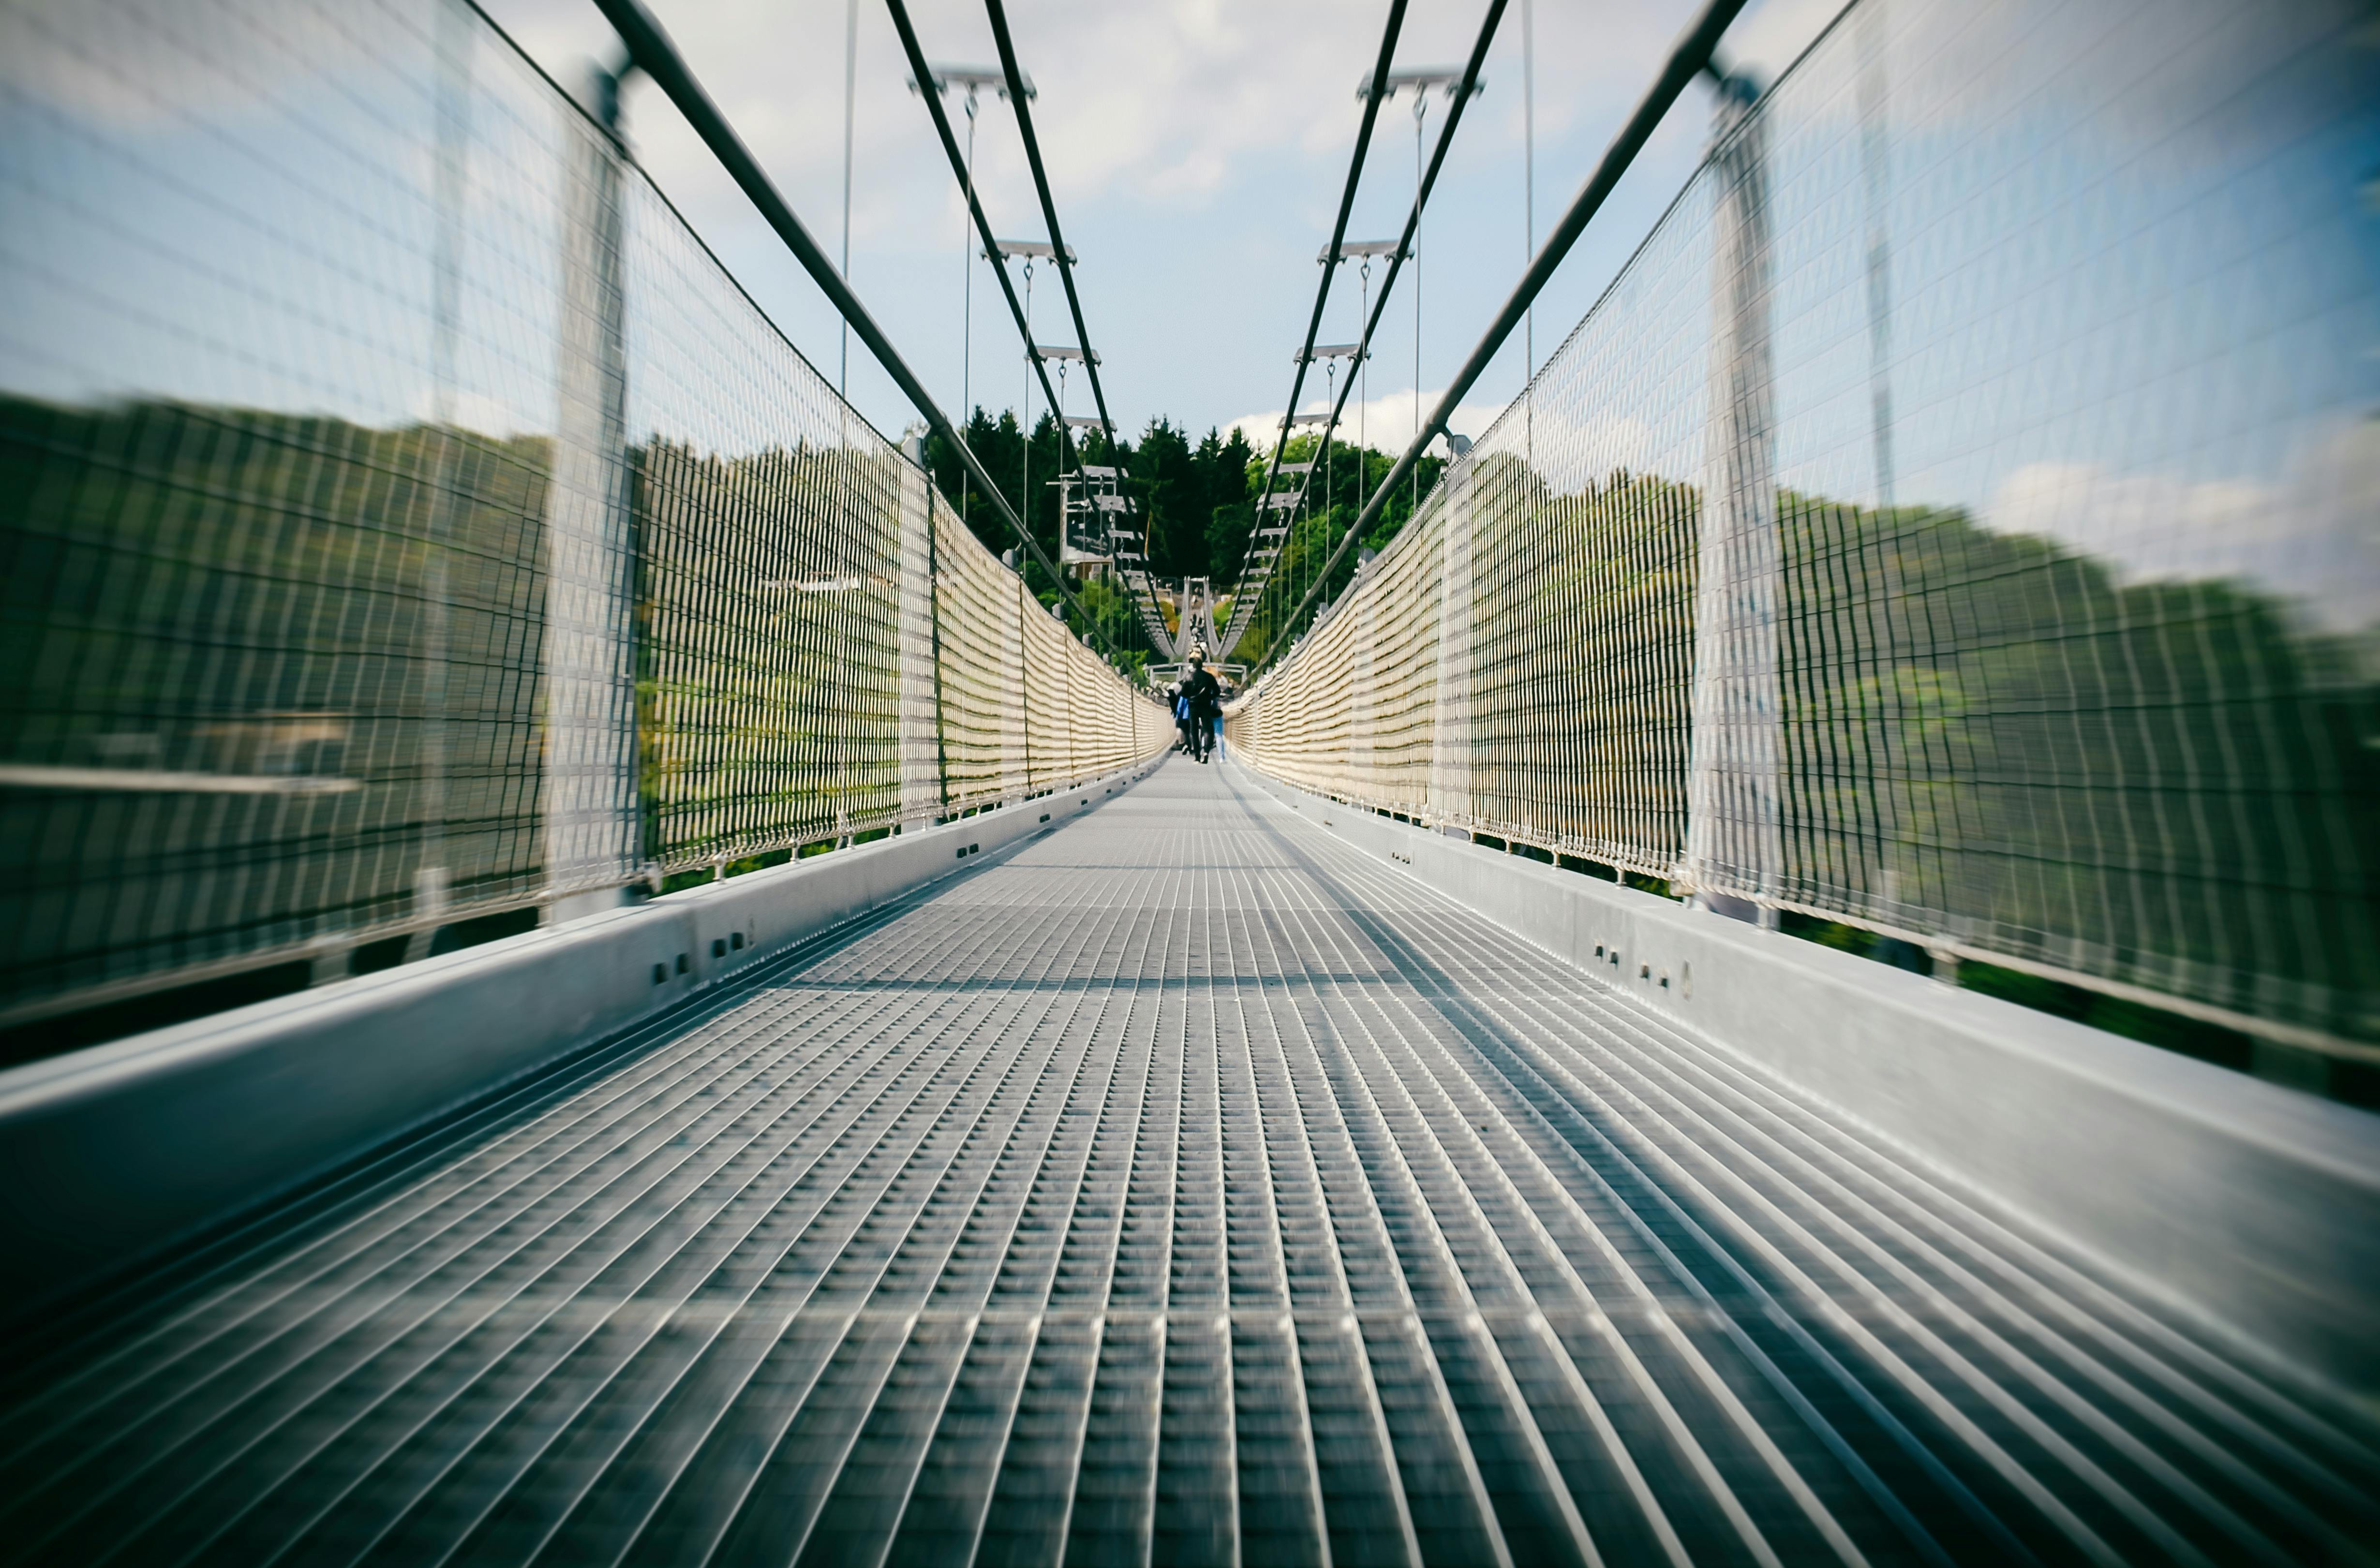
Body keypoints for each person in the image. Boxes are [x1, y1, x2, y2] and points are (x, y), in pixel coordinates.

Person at [1180, 656, 1222, 764]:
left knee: (1194, 731)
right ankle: (1207, 752)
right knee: (1207, 729)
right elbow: (1217, 691)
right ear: (1202, 665)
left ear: (1193, 666)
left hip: (1193, 707)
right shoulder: (1209, 677)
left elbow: (1184, 694)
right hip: (1206, 706)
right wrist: (1210, 697)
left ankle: (1197, 757)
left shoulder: (1188, 677)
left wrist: (1191, 696)